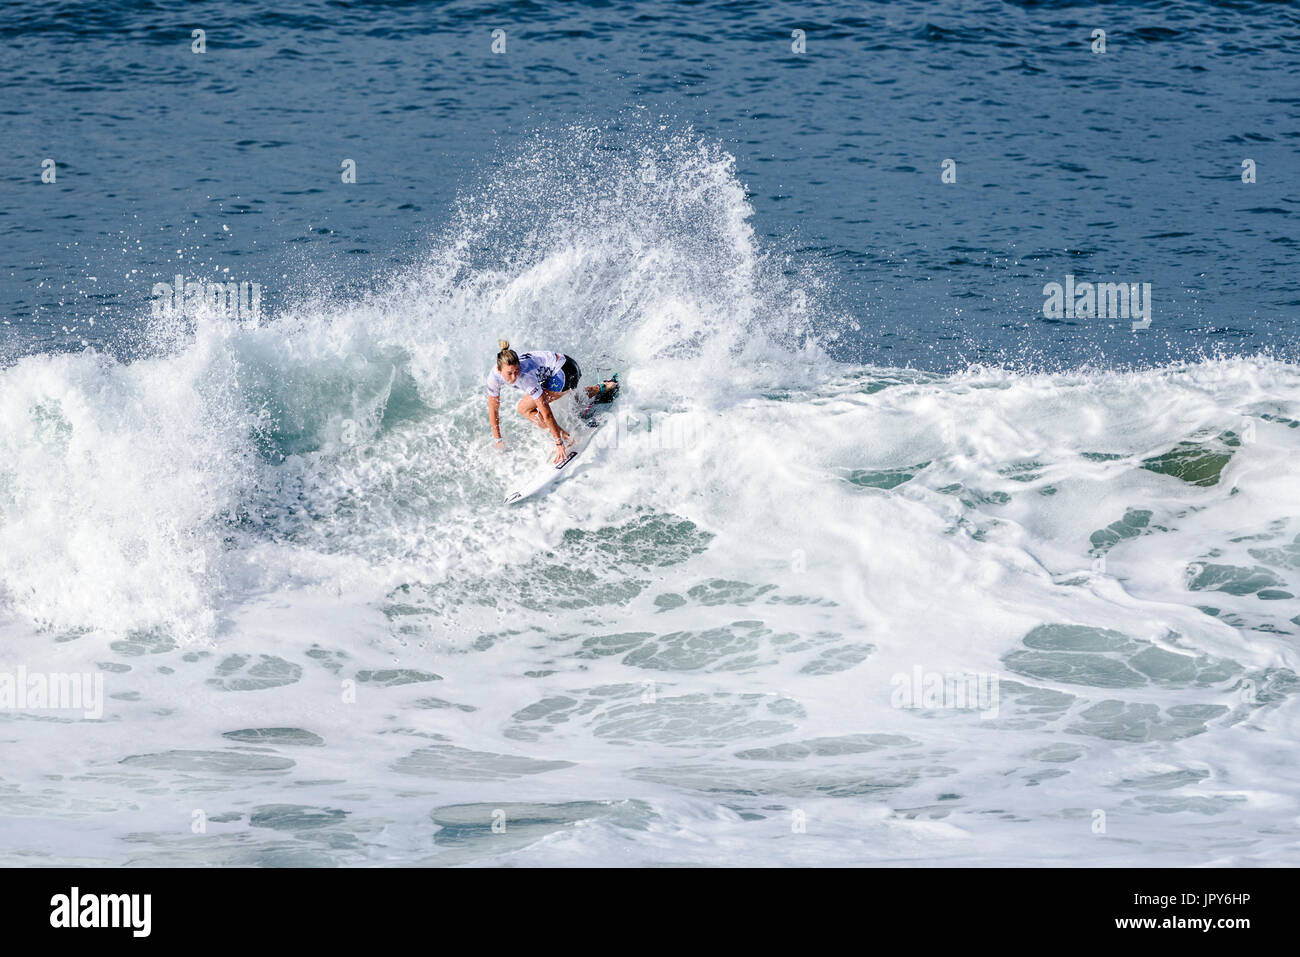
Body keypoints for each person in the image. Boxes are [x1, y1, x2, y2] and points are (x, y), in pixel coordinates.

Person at [486, 340, 616, 465]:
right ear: (499, 370)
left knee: (524, 408)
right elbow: (493, 408)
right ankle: (605, 387)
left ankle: (566, 439)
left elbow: (546, 412)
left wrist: (558, 443)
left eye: (516, 371)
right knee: (570, 396)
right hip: (566, 364)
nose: (514, 377)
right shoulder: (493, 378)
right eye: (509, 373)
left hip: (565, 371)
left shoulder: (525, 377)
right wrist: (498, 440)